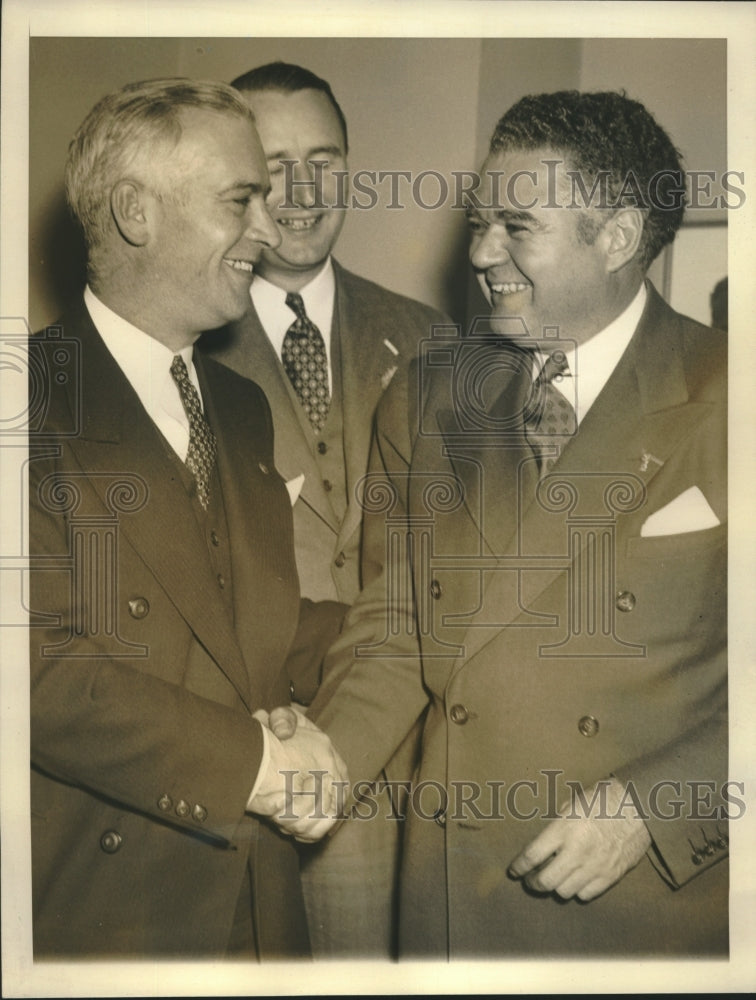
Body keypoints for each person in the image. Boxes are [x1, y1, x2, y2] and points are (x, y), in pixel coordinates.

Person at [309, 90, 728, 957]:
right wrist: (322, 765)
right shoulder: (428, 397)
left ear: (615, 236)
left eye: (516, 226)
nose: (478, 251)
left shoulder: (733, 395)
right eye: (478, 221)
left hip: (649, 906)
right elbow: (396, 624)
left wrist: (661, 800)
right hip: (453, 897)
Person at [28, 77, 347, 959]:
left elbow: (256, 629)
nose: (268, 227)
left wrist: (418, 641)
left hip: (260, 906)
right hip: (105, 916)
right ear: (135, 212)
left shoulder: (240, 406)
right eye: (241, 200)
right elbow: (35, 671)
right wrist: (252, 767)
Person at [201, 61, 448, 957]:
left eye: (325, 159)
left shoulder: (433, 338)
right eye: (272, 167)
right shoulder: (183, 351)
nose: (301, 194)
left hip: (416, 761)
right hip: (266, 762)